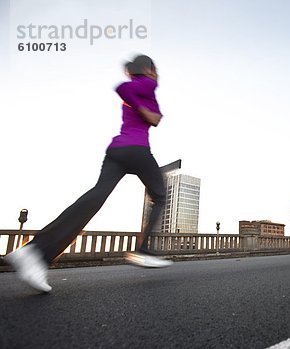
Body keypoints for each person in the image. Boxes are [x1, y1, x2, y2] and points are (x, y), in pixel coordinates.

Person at [4, 55, 173, 293]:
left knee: (95, 198)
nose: (156, 74)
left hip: (116, 151)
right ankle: (143, 250)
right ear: (147, 69)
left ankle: (35, 253)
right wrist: (143, 101)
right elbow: (124, 90)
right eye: (154, 69)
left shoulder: (145, 89)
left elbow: (155, 118)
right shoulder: (146, 83)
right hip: (137, 149)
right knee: (161, 195)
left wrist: (144, 108)